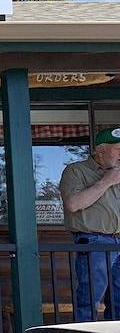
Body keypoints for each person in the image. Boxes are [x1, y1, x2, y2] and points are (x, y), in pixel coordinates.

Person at [60, 127, 120, 321]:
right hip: (96, 241)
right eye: (118, 149)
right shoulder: (76, 170)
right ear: (101, 150)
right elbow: (74, 204)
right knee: (90, 298)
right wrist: (106, 181)